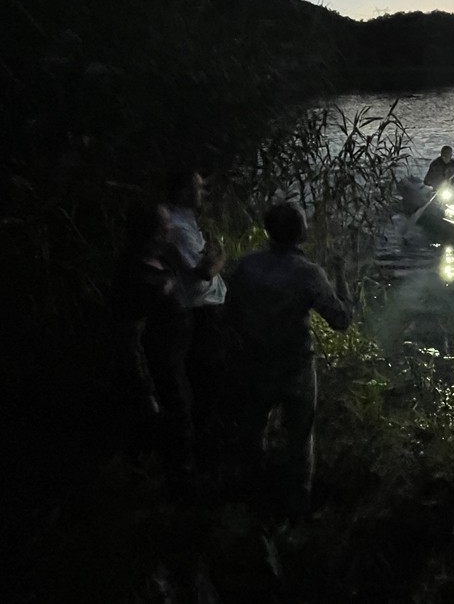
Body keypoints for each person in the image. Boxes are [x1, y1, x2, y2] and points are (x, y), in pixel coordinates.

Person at [227, 201, 354, 522]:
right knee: (299, 438)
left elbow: (230, 312)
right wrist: (341, 275)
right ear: (301, 232)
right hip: (296, 367)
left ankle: (250, 497)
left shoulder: (246, 266)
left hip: (255, 361)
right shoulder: (308, 273)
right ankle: (297, 506)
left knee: (253, 429)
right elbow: (341, 319)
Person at [163, 168, 228, 469]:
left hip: (205, 311)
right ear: (180, 192)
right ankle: (202, 459)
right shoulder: (177, 226)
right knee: (207, 384)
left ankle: (205, 452)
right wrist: (219, 255)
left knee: (209, 382)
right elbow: (203, 271)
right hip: (200, 313)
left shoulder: (183, 222)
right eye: (197, 188)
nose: (203, 193)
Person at [109, 202, 179, 462]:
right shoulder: (135, 275)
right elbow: (129, 337)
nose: (171, 228)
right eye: (166, 225)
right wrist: (146, 390)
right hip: (155, 369)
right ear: (154, 232)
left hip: (171, 364)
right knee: (158, 431)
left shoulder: (160, 261)